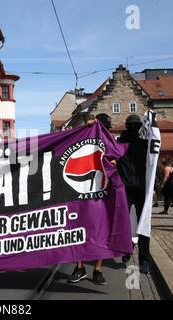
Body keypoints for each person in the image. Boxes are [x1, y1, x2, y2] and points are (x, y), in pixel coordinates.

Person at [68, 114, 112, 286]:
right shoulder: (83, 140)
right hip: (81, 195)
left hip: (102, 196)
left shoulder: (109, 143)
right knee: (79, 233)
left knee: (100, 233)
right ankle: (79, 267)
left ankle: (98, 270)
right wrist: (88, 126)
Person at [117, 115, 150, 274]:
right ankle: (141, 258)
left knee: (128, 223)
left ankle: (128, 250)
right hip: (138, 188)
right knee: (141, 225)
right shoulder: (143, 143)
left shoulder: (119, 143)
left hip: (129, 188)